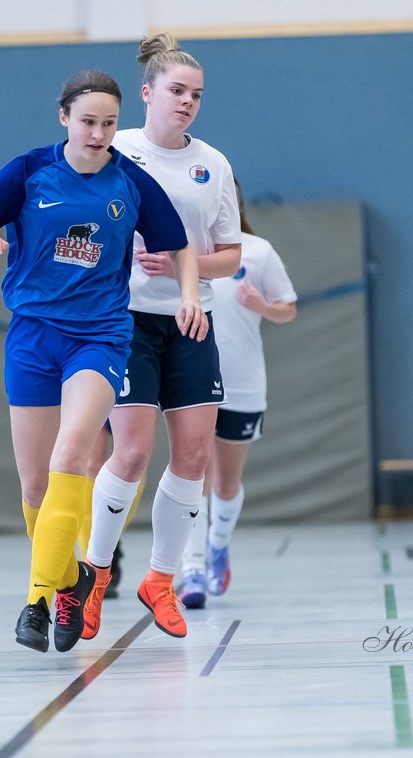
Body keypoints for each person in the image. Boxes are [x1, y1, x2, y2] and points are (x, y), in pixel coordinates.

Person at [0, 70, 200, 653]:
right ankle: (74, 575)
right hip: (34, 335)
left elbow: (177, 243)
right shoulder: (31, 170)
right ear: (64, 118)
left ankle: (39, 599)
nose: (98, 133)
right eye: (88, 121)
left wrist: (188, 292)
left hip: (101, 337)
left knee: (73, 453)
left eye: (109, 124)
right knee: (35, 483)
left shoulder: (130, 182)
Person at [80, 34, 241, 641]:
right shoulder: (113, 151)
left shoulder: (213, 164)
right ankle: (94, 573)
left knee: (195, 454)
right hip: (124, 321)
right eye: (176, 91)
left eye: (196, 95)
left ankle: (161, 579)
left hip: (190, 317)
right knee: (131, 452)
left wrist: (186, 265)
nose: (187, 103)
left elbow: (229, 254)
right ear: (147, 93)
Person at [178, 179, 298, 608]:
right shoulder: (180, 249)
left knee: (225, 482)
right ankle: (190, 568)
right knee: (192, 475)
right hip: (193, 378)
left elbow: (288, 307)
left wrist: (261, 306)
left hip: (244, 381)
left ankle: (218, 545)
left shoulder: (257, 251)